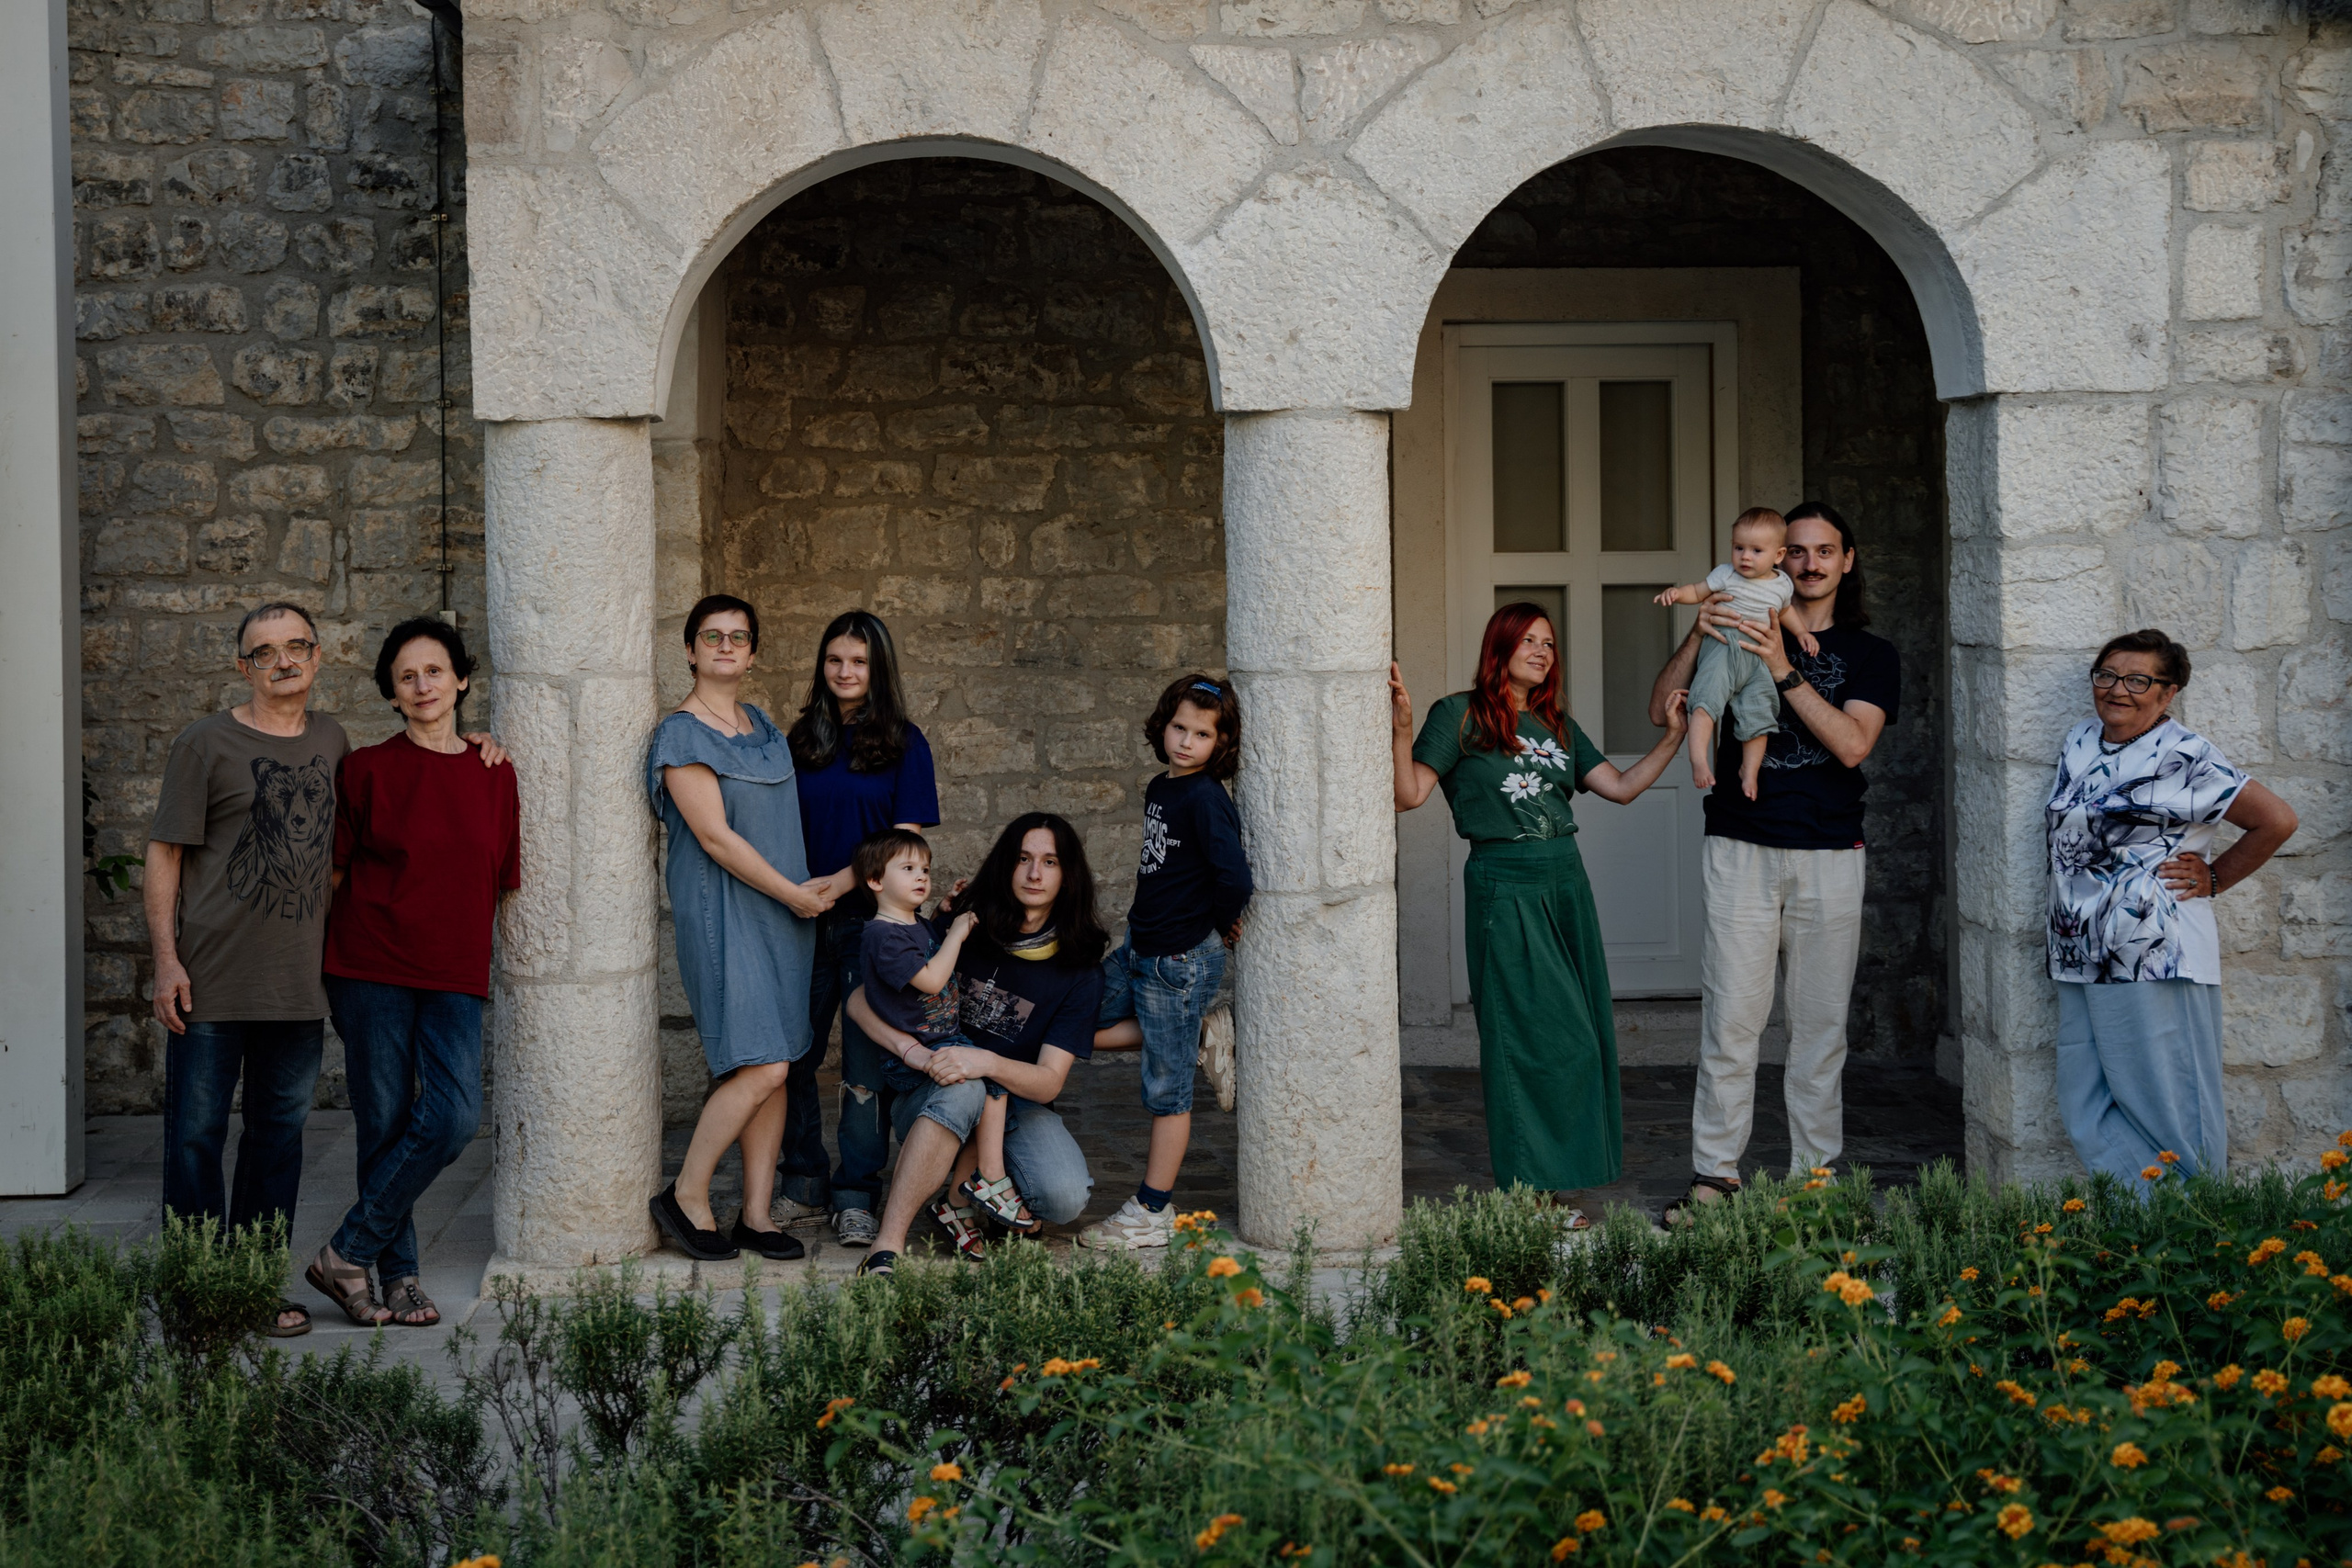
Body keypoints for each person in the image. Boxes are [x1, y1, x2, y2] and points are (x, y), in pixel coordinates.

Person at [144, 600, 502, 1337]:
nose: (283, 660)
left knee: (277, 1142)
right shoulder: (204, 743)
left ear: (316, 656)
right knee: (195, 1138)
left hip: (299, 985)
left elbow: (410, 795)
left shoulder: (332, 742)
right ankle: (197, 1292)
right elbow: (165, 852)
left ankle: (254, 1287)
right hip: (211, 978)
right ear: (243, 666)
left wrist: (476, 745)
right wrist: (166, 960)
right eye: (265, 651)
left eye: (296, 646)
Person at [1644, 502, 1899, 1226]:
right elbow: (1660, 707)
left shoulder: (1871, 654)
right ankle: (1715, 1177)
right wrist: (1700, 628)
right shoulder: (1732, 610)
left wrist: (1784, 668)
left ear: (1847, 560)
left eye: (1825, 550)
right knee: (1731, 1021)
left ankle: (1813, 1185)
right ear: (1777, 555)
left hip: (1829, 853)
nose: (1810, 563)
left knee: (1819, 1028)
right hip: (1740, 843)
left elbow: (1852, 744)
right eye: (1798, 550)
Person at [1390, 604, 1690, 1218]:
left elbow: (1622, 788)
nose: (1541, 652)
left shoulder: (1557, 724)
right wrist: (1402, 729)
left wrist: (1673, 738)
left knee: (1581, 1038)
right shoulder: (1459, 714)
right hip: (1505, 884)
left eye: (1549, 643)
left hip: (1565, 884)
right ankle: (1531, 1196)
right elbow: (1409, 794)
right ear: (1499, 647)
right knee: (1527, 1038)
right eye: (1528, 640)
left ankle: (1552, 1182)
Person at [308, 617, 519, 1328]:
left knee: (454, 1118)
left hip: (453, 970)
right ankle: (397, 1279)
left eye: (434, 670)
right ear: (393, 694)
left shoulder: (495, 772)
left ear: (461, 679)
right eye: (407, 676)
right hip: (370, 964)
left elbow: (500, 877)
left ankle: (346, 1251)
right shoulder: (366, 769)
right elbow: (334, 874)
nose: (423, 684)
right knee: (385, 1120)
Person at [2045, 628, 2297, 1182]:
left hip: (2154, 951)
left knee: (2172, 1111)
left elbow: (2276, 821)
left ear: (2168, 693)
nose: (2118, 689)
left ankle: (2200, 1221)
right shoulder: (2081, 739)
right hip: (2079, 949)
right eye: (2108, 675)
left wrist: (2215, 876)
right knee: (2086, 1107)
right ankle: (2149, 1219)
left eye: (2139, 680)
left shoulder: (2186, 754)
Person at [646, 594, 837, 1263]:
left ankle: (756, 1214)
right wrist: (795, 894)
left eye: (738, 636)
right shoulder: (680, 734)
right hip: (725, 913)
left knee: (777, 1065)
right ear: (690, 650)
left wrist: (803, 895)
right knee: (764, 1063)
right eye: (712, 636)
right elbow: (715, 838)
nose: (725, 646)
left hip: (784, 917)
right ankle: (687, 1195)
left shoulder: (763, 727)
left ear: (752, 653)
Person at [845, 814, 1110, 1278]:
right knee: (966, 1088)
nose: (1034, 873)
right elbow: (858, 1000)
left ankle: (963, 1192)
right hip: (934, 1090)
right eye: (1023, 859)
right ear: (1007, 864)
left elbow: (1048, 1082)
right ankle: (888, 1244)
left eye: (1050, 862)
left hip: (1013, 1099)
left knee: (1064, 1197)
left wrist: (986, 1060)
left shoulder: (1079, 969)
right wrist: (913, 1052)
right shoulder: (965, 928)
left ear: (1068, 875)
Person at [780, 610, 939, 1249]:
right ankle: (802, 1181)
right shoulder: (801, 740)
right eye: (835, 660)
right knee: (793, 1053)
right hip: (799, 917)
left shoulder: (905, 743)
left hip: (875, 926)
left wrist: (840, 884)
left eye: (859, 661)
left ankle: (855, 1195)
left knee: (866, 1062)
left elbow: (905, 841)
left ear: (878, 669)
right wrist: (797, 892)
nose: (845, 672)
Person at [1079, 674, 1254, 1251]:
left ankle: (1152, 1210)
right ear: (1164, 725)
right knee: (1072, 1017)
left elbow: (1234, 877)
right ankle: (1197, 1032)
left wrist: (1220, 921)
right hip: (1139, 948)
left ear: (1220, 742)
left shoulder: (1205, 798)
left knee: (1167, 1089)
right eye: (1179, 727)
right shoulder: (1162, 786)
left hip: (1179, 960)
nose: (1186, 741)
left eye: (1202, 734)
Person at [853, 829, 1032, 1258]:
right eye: (908, 869)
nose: (922, 876)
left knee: (994, 1084)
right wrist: (956, 934)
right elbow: (931, 978)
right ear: (875, 881)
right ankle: (989, 1179)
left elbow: (924, 945)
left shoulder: (912, 925)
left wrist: (942, 914)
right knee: (984, 1085)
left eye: (925, 869)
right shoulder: (881, 935)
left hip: (944, 1038)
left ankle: (983, 1180)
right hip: (915, 1055)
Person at [1653, 507, 1819, 800]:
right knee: (1705, 702)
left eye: (1756, 550)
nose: (1745, 557)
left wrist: (1802, 632)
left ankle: (1749, 770)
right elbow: (1699, 591)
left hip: (1758, 658)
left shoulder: (1782, 584)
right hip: (1724, 646)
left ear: (1778, 555)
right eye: (1739, 547)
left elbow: (1785, 612)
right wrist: (1678, 594)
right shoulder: (1725, 574)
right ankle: (1698, 759)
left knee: (1760, 712)